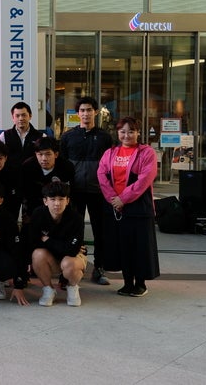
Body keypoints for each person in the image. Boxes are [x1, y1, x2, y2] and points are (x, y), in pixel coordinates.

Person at [97, 117, 160, 297]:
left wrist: (123, 199)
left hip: (139, 207)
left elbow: (145, 179)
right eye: (122, 132)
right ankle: (127, 283)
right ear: (117, 133)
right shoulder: (110, 152)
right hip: (116, 207)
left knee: (140, 247)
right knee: (123, 246)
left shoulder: (147, 152)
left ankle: (140, 284)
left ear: (138, 133)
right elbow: (101, 175)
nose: (127, 135)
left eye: (131, 131)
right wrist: (113, 199)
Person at [60, 96, 113, 285]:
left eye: (89, 110)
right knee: (73, 230)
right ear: (77, 113)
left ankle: (99, 268)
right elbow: (62, 164)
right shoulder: (68, 137)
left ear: (96, 112)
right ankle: (69, 269)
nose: (85, 114)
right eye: (82, 110)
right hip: (74, 192)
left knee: (100, 231)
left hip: (98, 191)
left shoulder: (105, 137)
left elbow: (109, 165)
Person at [30, 179, 86, 307]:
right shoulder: (38, 214)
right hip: (51, 258)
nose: (57, 203)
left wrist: (47, 240)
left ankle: (72, 287)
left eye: (61, 199)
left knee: (69, 263)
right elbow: (34, 242)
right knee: (37, 254)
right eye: (53, 199)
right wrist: (64, 244)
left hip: (71, 259)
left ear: (67, 201)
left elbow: (72, 251)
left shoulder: (76, 218)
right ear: (45, 201)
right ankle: (48, 289)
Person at [20, 137, 75, 229]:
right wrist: (27, 214)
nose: (44, 158)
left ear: (56, 154)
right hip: (34, 206)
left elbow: (70, 193)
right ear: (35, 154)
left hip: (58, 207)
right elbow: (26, 194)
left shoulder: (66, 167)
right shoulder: (27, 167)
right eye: (40, 154)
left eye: (48, 154)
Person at [0, 101, 45, 168]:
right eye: (17, 116)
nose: (21, 118)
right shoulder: (4, 136)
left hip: (34, 172)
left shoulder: (41, 136)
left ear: (30, 116)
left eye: (24, 115)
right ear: (13, 118)